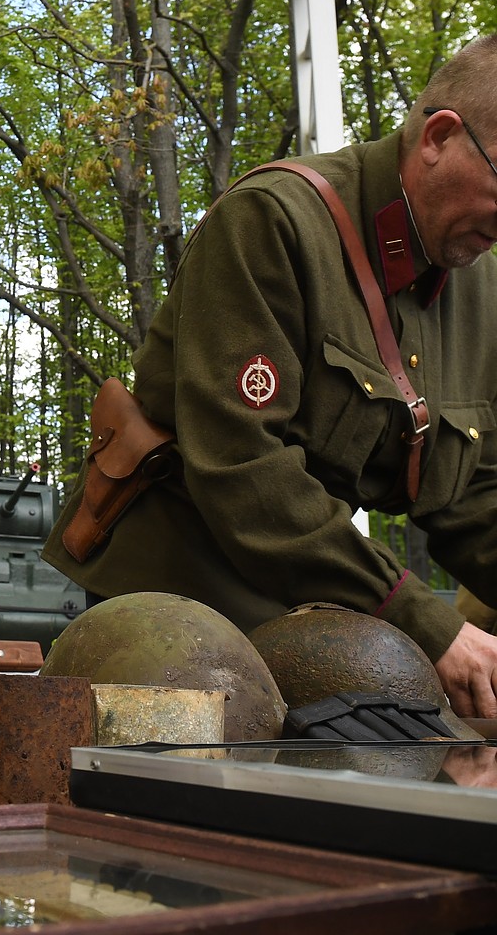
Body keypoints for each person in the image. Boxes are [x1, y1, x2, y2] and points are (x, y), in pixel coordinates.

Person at [43, 36, 497, 721]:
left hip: (315, 609)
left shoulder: (478, 284)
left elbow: (470, 494)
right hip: (175, 613)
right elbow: (243, 468)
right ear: (439, 136)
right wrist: (428, 625)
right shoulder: (276, 221)